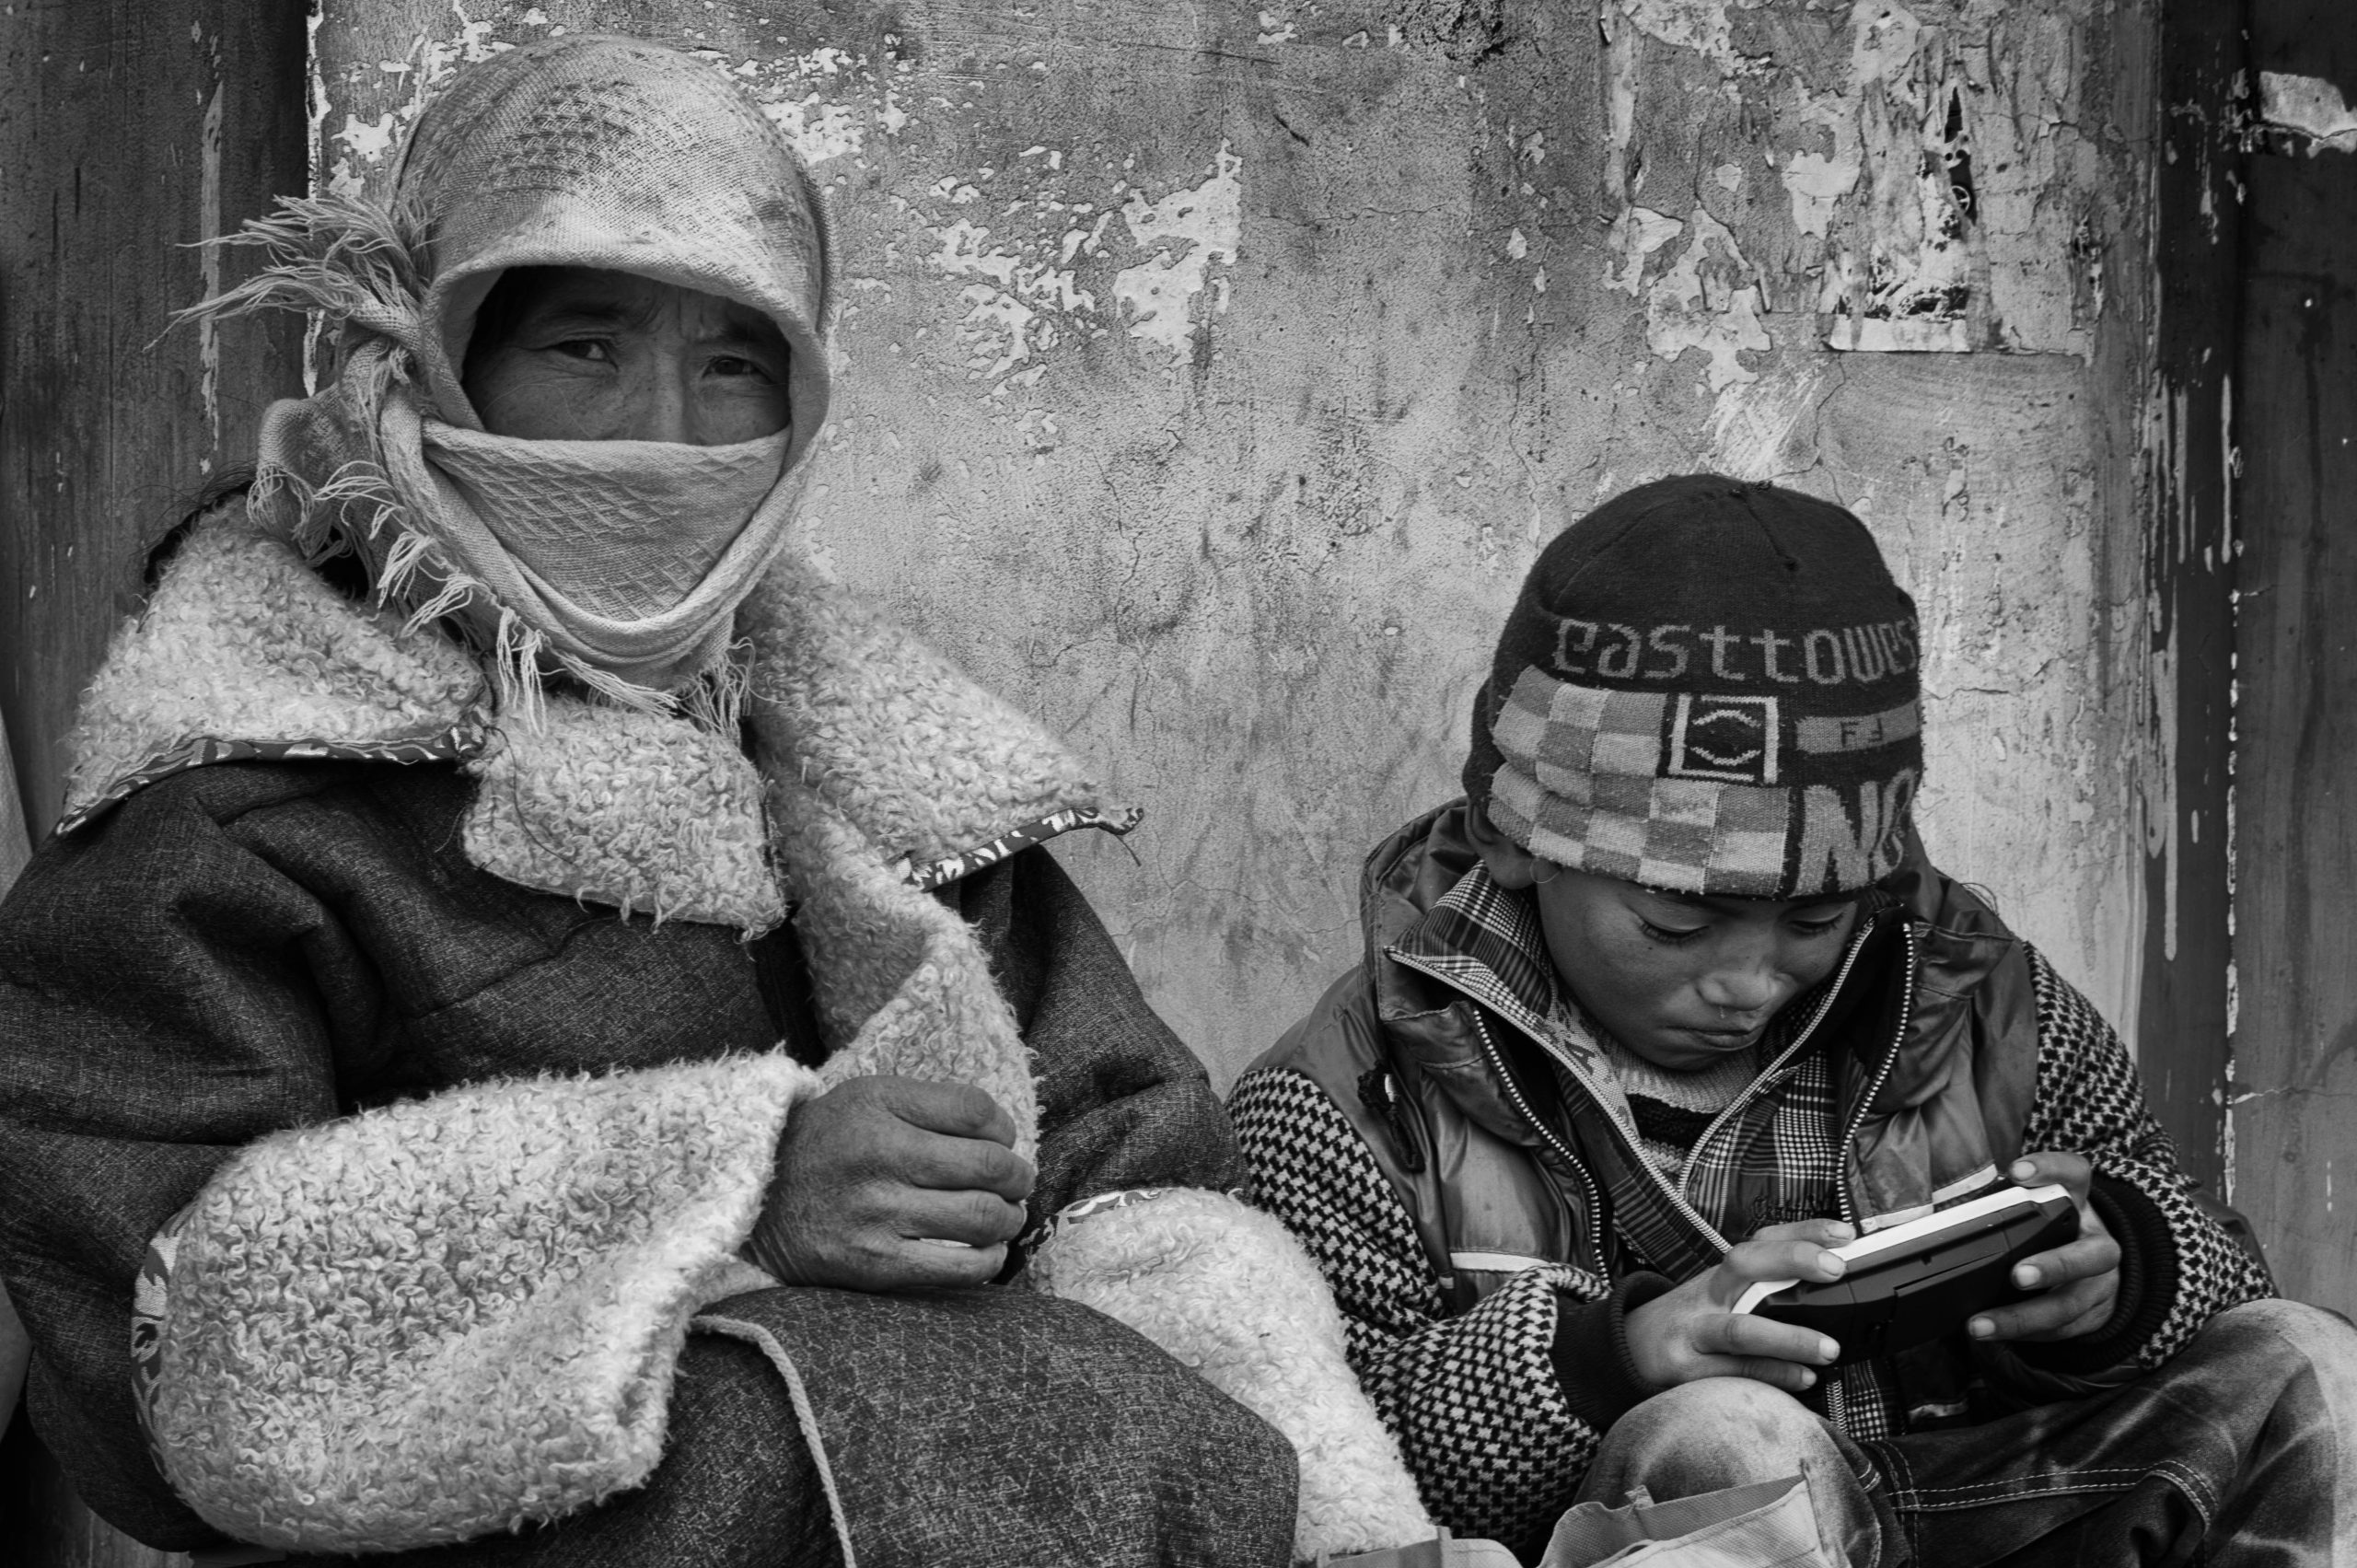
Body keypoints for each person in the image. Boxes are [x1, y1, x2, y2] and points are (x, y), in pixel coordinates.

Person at [0, 35, 1434, 1568]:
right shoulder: (231, 814)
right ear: (426, 356)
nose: (663, 432)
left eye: (736, 363)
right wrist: (727, 1189)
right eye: (586, 346)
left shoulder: (894, 795)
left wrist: (1338, 1525)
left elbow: (1132, 1183)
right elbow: (178, 1349)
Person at [1230, 474, 2357, 1566]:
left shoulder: (1980, 999)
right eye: (1679, 924)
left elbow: (2223, 1270)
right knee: (1724, 1432)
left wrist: (2129, 1276)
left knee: (2309, 1360)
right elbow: (1314, 1479)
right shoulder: (1350, 1095)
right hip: (1665, 1534)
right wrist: (1614, 1356)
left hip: (2000, 1504)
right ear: (1520, 839)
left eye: (1813, 918)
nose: (1750, 981)